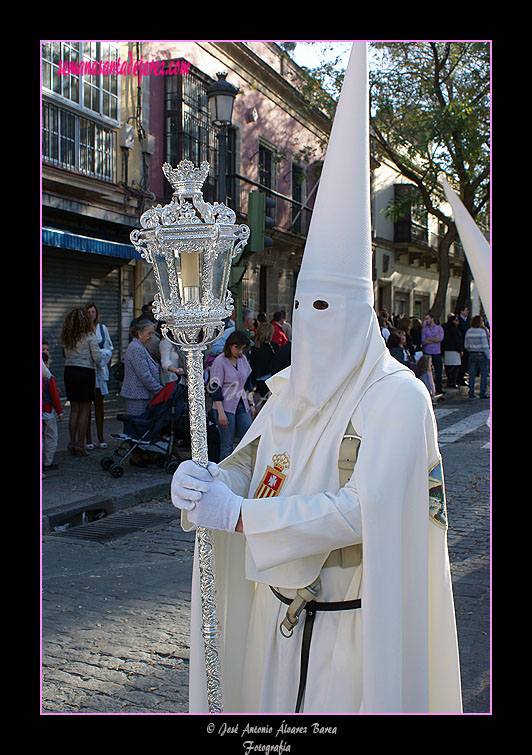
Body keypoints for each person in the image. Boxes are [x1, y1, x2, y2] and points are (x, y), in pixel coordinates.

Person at [171, 44, 461, 715]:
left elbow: (363, 509)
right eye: (302, 307)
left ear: (361, 314)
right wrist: (214, 480)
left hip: (355, 637)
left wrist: (241, 515)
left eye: (327, 308)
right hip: (281, 628)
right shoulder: (292, 389)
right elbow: (258, 465)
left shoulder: (397, 398)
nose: (311, 323)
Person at [61, 307, 104, 456]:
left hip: (70, 371)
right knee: (85, 410)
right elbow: (97, 357)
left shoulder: (67, 336)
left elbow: (65, 353)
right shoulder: (89, 335)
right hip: (85, 372)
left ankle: (72, 442)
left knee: (74, 409)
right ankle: (81, 444)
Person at [208, 330, 256, 460]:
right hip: (225, 406)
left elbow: (248, 384)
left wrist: (251, 404)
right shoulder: (220, 361)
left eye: (242, 348)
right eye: (237, 347)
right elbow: (214, 388)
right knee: (227, 445)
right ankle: (224, 476)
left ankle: (243, 470)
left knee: (247, 440)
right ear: (230, 345)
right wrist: (220, 412)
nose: (240, 351)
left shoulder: (243, 359)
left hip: (242, 404)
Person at [85, 303, 114, 449]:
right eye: (89, 312)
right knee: (86, 407)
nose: (91, 314)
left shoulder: (102, 329)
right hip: (87, 370)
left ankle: (101, 437)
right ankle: (88, 439)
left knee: (100, 405)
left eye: (93, 312)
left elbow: (109, 348)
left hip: (100, 370)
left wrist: (102, 356)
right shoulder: (82, 330)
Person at [120, 320, 163, 416]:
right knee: (137, 425)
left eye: (152, 333)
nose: (151, 337)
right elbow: (144, 374)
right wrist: (159, 390)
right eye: (149, 333)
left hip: (141, 394)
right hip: (138, 396)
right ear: (140, 333)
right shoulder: (137, 349)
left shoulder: (139, 346)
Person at [42, 344, 63, 471]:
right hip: (49, 412)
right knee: (51, 437)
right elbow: (55, 398)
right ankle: (47, 462)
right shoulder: (49, 378)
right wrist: (60, 413)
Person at [249, 322, 279, 402]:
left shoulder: (254, 348)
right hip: (271, 378)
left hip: (259, 379)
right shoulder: (273, 346)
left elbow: (252, 365)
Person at [464, 315, 490, 399]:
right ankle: (482, 392)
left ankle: (471, 392)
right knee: (484, 374)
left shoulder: (469, 331)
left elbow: (466, 345)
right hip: (481, 354)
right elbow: (485, 345)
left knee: (471, 374)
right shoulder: (482, 332)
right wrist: (488, 355)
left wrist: (471, 349)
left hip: (472, 354)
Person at [422, 312, 444, 395]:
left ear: (432, 319)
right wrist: (435, 339)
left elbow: (440, 339)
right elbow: (424, 341)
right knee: (428, 372)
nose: (426, 320)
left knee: (438, 370)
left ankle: (439, 387)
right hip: (427, 352)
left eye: (427, 318)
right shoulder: (425, 329)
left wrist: (429, 339)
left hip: (437, 352)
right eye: (425, 319)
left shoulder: (439, 328)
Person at [441, 314, 462, 389]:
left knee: (448, 366)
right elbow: (457, 340)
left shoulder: (445, 327)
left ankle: (450, 380)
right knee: (455, 366)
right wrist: (460, 349)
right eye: (456, 320)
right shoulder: (455, 329)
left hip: (446, 349)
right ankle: (452, 381)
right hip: (454, 350)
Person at [456, 305, 470, 386]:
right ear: (461, 311)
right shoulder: (459, 321)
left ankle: (462, 377)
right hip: (461, 344)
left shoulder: (467, 321)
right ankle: (459, 378)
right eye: (466, 310)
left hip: (467, 344)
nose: (467, 312)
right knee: (461, 362)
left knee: (465, 362)